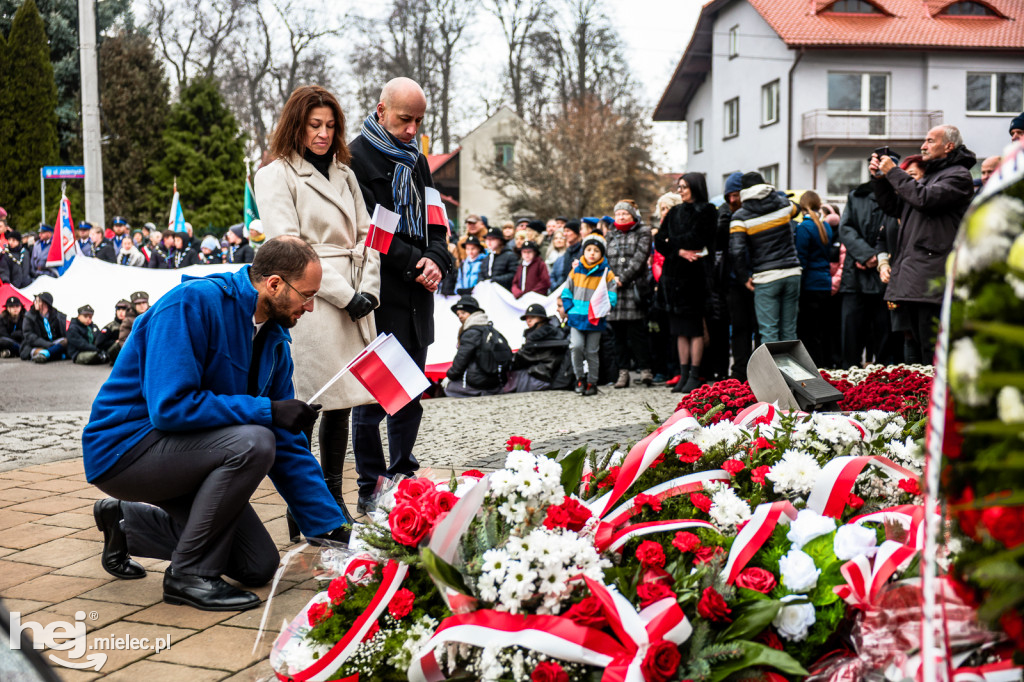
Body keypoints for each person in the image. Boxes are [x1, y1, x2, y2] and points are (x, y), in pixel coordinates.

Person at [82, 237, 350, 612]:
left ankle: (126, 523)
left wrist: (333, 528)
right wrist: (268, 411)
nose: (311, 306)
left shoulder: (275, 341)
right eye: (306, 295)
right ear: (273, 284)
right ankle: (188, 575)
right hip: (125, 451)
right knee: (254, 442)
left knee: (258, 565)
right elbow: (170, 408)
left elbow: (287, 444)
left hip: (187, 455)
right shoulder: (190, 304)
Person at [255, 84, 382, 532]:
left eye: (330, 125)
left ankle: (332, 496)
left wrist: (368, 289)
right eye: (314, 125)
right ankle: (303, 504)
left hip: (351, 291)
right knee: (307, 404)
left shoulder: (345, 175)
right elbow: (288, 247)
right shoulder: (275, 175)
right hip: (308, 297)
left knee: (342, 403)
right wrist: (346, 294)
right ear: (297, 125)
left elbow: (369, 237)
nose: (324, 134)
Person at [347, 77, 453, 514]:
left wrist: (438, 259)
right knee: (373, 399)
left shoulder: (419, 160)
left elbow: (436, 218)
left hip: (418, 295)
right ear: (381, 110)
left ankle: (403, 472)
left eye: (419, 121)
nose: (412, 129)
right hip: (383, 290)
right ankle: (371, 485)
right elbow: (372, 228)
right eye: (405, 119)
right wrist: (418, 263)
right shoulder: (355, 157)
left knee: (410, 393)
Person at [870, 124, 976, 361]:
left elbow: (924, 199)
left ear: (948, 146)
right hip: (914, 275)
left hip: (931, 277)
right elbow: (894, 207)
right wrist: (880, 178)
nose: (923, 146)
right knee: (915, 347)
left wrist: (894, 172)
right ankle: (921, 397)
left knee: (931, 350)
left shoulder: (958, 176)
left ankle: (933, 397)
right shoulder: (932, 175)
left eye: (930, 141)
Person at [655, 174, 717, 394]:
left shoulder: (707, 210)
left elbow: (697, 238)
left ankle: (694, 373)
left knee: (694, 329)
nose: (680, 191)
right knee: (679, 330)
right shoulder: (674, 212)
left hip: (695, 277)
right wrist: (679, 250)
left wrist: (674, 242)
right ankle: (683, 373)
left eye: (684, 187)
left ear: (695, 188)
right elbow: (659, 241)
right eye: (678, 187)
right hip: (673, 279)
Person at [729, 171, 802, 345]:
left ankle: (773, 373)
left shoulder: (740, 216)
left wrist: (743, 278)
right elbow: (797, 209)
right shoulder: (783, 204)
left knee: (769, 332)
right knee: (789, 330)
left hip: (766, 277)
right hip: (792, 272)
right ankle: (789, 373)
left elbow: (736, 251)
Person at [838, 180, 899, 368]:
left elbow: (895, 231)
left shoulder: (898, 195)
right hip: (855, 275)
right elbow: (845, 228)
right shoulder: (856, 195)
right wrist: (865, 255)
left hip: (885, 273)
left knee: (885, 331)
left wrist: (878, 258)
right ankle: (849, 374)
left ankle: (882, 378)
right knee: (851, 332)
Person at [560, 233, 617, 396]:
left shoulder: (606, 273)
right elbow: (566, 291)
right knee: (576, 347)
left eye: (596, 251)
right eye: (589, 250)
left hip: (595, 317)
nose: (592, 253)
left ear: (602, 254)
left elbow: (612, 294)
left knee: (592, 351)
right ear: (584, 252)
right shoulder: (576, 270)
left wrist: (606, 307)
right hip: (576, 316)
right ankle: (580, 378)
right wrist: (569, 308)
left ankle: (592, 381)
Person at [605, 199, 653, 388]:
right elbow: (605, 258)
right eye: (618, 213)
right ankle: (622, 372)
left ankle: (645, 370)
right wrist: (611, 279)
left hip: (633, 289)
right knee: (618, 335)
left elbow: (640, 258)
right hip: (614, 291)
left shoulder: (644, 232)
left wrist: (622, 278)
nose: (621, 216)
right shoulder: (610, 234)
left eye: (625, 213)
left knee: (638, 333)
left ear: (633, 214)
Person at [793, 191, 833, 367]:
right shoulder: (827, 226)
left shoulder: (804, 228)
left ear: (802, 208)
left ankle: (813, 368)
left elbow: (802, 259)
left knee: (808, 332)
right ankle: (826, 366)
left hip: (809, 284)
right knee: (822, 330)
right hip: (825, 282)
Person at [444, 296, 505, 398]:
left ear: (472, 313)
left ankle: (481, 392)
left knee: (449, 387)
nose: (460, 316)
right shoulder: (489, 328)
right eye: (458, 314)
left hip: (477, 381)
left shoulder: (471, 332)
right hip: (496, 380)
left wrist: (450, 376)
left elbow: (461, 359)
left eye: (463, 313)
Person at [507, 302, 569, 393]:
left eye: (532, 317)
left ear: (542, 319)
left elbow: (519, 359)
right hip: (543, 376)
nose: (528, 320)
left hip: (540, 377)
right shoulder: (549, 332)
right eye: (527, 318)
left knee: (509, 382)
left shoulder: (540, 336)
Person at [20, 292, 68, 363]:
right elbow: (29, 336)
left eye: (38, 301)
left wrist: (54, 345)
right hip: (36, 345)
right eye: (35, 300)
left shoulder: (56, 316)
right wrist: (48, 345)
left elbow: (62, 334)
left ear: (46, 304)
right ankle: (51, 354)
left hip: (54, 343)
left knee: (66, 341)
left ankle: (46, 354)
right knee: (36, 351)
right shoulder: (29, 316)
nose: (35, 302)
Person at [550, 220, 582, 288]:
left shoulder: (582, 251)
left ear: (576, 233)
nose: (565, 234)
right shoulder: (568, 252)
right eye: (564, 231)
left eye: (568, 231)